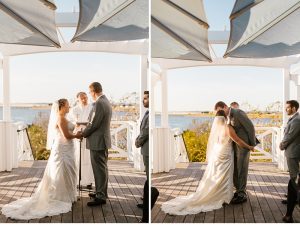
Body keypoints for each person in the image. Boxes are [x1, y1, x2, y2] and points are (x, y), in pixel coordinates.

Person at [161, 110, 254, 215]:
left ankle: (217, 192)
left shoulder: (217, 129)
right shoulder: (228, 128)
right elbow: (237, 140)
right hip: (226, 154)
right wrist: (249, 146)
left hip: (218, 151)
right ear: (225, 117)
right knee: (224, 174)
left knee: (217, 174)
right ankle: (223, 195)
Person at [1, 99, 81, 220]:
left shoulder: (64, 118)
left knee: (68, 171)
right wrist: (77, 135)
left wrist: (77, 127)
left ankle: (68, 195)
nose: (69, 106)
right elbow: (67, 136)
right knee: (62, 171)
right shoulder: (61, 118)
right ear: (62, 106)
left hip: (67, 148)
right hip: (63, 149)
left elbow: (69, 130)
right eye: (68, 105)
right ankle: (61, 197)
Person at [77, 82, 112, 206]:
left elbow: (93, 124)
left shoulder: (99, 103)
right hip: (102, 140)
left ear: (93, 91)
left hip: (98, 141)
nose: (90, 95)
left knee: (99, 169)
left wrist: (83, 133)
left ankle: (101, 196)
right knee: (101, 168)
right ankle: (100, 192)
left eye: (90, 92)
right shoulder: (106, 101)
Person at [215, 101, 256, 204]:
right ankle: (238, 190)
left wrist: (251, 144)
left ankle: (242, 194)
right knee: (236, 169)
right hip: (233, 146)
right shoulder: (226, 116)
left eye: (220, 110)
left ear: (225, 106)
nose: (220, 113)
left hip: (243, 145)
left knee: (242, 168)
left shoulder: (237, 113)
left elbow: (250, 126)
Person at [279, 100, 300, 223]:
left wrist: (282, 145)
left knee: (294, 178)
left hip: (293, 153)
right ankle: (293, 198)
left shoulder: (297, 120)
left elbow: (290, 136)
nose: (286, 109)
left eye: (287, 108)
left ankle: (294, 201)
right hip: (293, 151)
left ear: (294, 108)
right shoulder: (294, 119)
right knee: (293, 178)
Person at [69, 92, 94, 188]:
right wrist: (81, 123)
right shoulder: (74, 110)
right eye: (82, 98)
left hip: (89, 135)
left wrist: (82, 123)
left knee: (88, 158)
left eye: (85, 97)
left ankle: (88, 181)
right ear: (78, 99)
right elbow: (75, 122)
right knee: (78, 157)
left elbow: (91, 122)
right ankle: (78, 180)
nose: (84, 99)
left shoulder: (91, 107)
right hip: (78, 136)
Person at [135, 91, 150, 222]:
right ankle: (146, 201)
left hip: (147, 149)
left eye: (145, 99)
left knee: (149, 177)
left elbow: (145, 131)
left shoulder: (150, 114)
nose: (143, 101)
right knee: (147, 176)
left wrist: (138, 141)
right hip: (146, 148)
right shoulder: (147, 112)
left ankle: (147, 203)